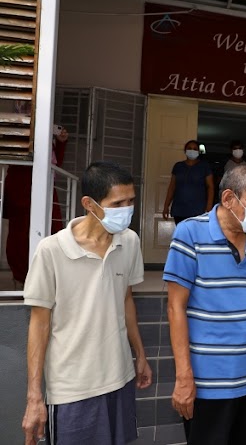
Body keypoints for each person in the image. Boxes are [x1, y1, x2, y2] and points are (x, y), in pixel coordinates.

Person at [21, 161, 152, 445]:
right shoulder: (52, 250)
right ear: (89, 204)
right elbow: (39, 324)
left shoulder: (129, 242)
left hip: (121, 378)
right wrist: (34, 396)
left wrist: (139, 354)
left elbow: (126, 299)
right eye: (118, 202)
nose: (127, 209)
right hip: (73, 390)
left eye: (131, 201)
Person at [163, 162, 246, 445]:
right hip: (209, 381)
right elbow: (175, 308)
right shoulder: (190, 234)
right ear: (229, 198)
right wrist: (183, 377)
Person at [4, 125, 69, 289]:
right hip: (22, 189)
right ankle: (22, 278)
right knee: (20, 236)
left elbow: (55, 162)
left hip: (44, 188)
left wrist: (60, 142)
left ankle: (45, 280)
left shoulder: (45, 129)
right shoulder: (20, 129)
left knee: (52, 232)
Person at [163, 140, 214, 225]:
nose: (192, 150)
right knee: (182, 235)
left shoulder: (204, 166)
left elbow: (210, 187)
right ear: (185, 150)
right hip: (179, 209)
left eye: (195, 149)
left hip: (197, 210)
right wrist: (166, 206)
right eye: (189, 148)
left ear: (198, 151)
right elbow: (172, 187)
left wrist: (209, 206)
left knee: (195, 236)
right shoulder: (178, 166)